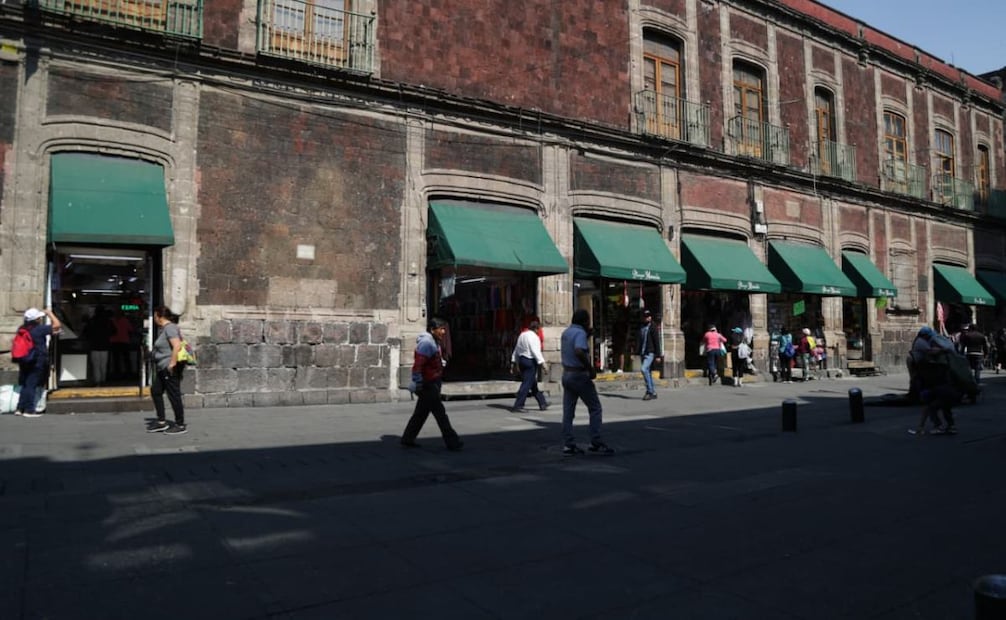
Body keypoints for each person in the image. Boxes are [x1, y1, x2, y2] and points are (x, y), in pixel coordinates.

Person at [401, 318, 463, 450]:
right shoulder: (427, 343)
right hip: (428, 384)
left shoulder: (434, 342)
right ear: (432, 329)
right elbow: (418, 365)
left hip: (431, 382)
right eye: (441, 328)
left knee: (421, 413)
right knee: (440, 414)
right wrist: (418, 381)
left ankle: (408, 438)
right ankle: (453, 442)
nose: (443, 331)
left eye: (444, 328)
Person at [559, 309, 613, 455]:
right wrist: (590, 368)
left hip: (567, 374)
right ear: (584, 322)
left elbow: (572, 347)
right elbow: (578, 350)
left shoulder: (566, 333)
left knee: (568, 412)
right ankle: (596, 441)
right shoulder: (580, 334)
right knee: (595, 408)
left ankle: (568, 444)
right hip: (579, 374)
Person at [908, 326, 960, 435]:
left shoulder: (931, 368)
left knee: (932, 407)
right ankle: (951, 426)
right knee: (945, 408)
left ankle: (939, 426)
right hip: (949, 391)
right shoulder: (942, 364)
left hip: (941, 390)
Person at [146, 306, 188, 435]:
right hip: (162, 367)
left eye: (155, 316)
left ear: (159, 316)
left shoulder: (170, 328)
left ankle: (180, 424)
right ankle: (161, 422)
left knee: (173, 394)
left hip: (168, 367)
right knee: (156, 391)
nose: (154, 319)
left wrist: (172, 363)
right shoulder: (164, 329)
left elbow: (176, 345)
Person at [15, 307, 61, 417]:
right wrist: (49, 313)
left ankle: (20, 408)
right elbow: (57, 325)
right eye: (39, 317)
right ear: (36, 319)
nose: (41, 319)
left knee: (25, 384)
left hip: (24, 359)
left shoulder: (22, 328)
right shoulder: (39, 329)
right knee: (31, 384)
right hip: (36, 360)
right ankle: (29, 410)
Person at [510, 319, 549, 412]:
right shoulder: (534, 337)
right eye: (538, 329)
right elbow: (535, 351)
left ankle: (542, 403)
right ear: (536, 329)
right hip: (530, 361)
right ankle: (518, 405)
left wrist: (513, 362)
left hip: (522, 360)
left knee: (532, 383)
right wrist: (543, 363)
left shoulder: (522, 335)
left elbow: (516, 350)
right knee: (526, 384)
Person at [83, 306, 114, 386]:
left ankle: (97, 381)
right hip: (105, 346)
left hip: (94, 346)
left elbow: (85, 333)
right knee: (104, 365)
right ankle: (103, 380)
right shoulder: (108, 321)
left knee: (96, 365)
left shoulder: (91, 321)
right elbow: (114, 331)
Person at [638, 309, 662, 400]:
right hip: (643, 352)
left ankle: (650, 391)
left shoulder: (653, 327)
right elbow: (639, 340)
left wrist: (658, 355)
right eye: (645, 316)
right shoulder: (641, 327)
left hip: (650, 352)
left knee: (643, 369)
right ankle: (653, 392)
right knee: (648, 371)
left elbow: (656, 341)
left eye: (648, 316)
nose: (647, 318)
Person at [109, 309, 135, 379]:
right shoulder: (125, 320)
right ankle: (128, 373)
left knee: (117, 359)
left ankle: (118, 374)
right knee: (125, 359)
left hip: (115, 342)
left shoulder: (112, 320)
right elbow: (131, 330)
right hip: (123, 341)